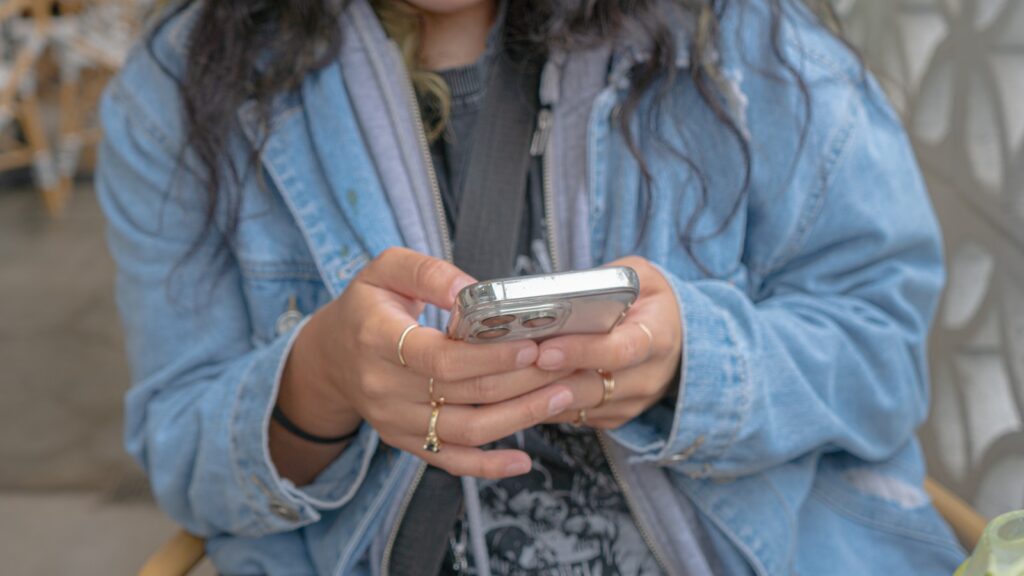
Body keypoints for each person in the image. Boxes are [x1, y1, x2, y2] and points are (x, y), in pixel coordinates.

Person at [97, 0, 967, 574]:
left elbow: (881, 351)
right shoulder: (177, 93)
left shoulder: (737, 35)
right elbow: (184, 453)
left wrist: (690, 363)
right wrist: (320, 378)